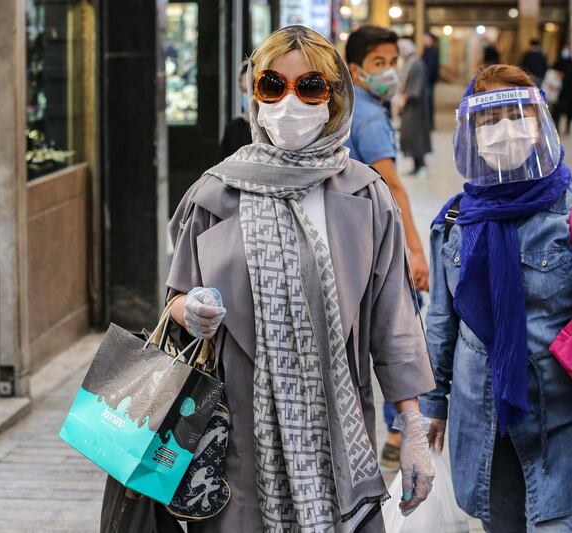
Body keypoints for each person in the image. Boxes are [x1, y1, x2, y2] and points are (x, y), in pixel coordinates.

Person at [165, 25, 436, 532]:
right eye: (273, 85)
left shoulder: (366, 195)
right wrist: (192, 310)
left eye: (309, 86)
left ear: (333, 98)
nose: (290, 101)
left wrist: (413, 427)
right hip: (237, 438)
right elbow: (175, 300)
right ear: (255, 94)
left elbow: (392, 318)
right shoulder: (215, 193)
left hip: (337, 436)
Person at [421, 64, 572, 532]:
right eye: (489, 120)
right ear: (471, 132)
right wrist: (431, 404)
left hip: (561, 426)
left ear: (540, 122)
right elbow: (442, 322)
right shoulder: (457, 221)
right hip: (483, 430)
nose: (504, 130)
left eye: (516, 114)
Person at [343, 25, 431, 472]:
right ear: (355, 69)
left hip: (349, 246)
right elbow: (392, 185)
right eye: (380, 64)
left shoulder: (346, 108)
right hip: (377, 246)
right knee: (401, 330)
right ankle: (402, 433)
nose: (390, 71)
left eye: (393, 62)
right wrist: (416, 250)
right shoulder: (372, 118)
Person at [396, 37, 432, 177]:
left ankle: (421, 164)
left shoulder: (417, 64)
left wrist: (404, 98)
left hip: (416, 108)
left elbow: (415, 88)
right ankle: (416, 165)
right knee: (410, 137)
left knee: (417, 136)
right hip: (409, 108)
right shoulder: (409, 63)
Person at [218, 60, 253, 159]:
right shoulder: (233, 128)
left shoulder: (272, 129)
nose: (249, 96)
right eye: (245, 90)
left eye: (252, 90)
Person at [551, 45, 572, 135]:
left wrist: (564, 75)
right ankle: (556, 127)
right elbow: (552, 70)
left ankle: (568, 127)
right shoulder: (559, 62)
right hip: (558, 91)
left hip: (569, 90)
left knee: (569, 110)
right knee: (557, 110)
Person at [421, 31, 441, 130]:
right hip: (428, 81)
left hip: (428, 81)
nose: (423, 40)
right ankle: (428, 124)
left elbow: (431, 68)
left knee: (428, 103)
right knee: (428, 102)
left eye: (425, 38)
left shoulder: (431, 51)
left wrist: (426, 79)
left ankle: (429, 125)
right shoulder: (428, 50)